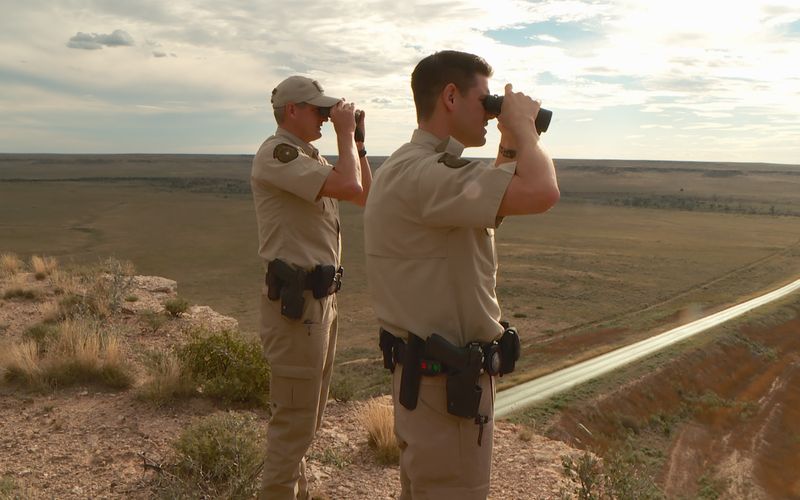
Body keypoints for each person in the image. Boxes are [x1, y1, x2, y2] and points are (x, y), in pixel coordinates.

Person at [364, 50, 559, 498]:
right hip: (445, 396)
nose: (490, 114)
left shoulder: (410, 166)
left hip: (429, 388)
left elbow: (488, 207)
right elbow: (542, 191)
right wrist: (526, 128)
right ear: (450, 97)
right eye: (485, 101)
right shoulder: (428, 175)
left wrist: (509, 138)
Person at [251, 75, 371, 500]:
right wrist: (341, 131)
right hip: (297, 306)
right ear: (292, 111)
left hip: (321, 303)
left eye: (327, 110)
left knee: (309, 420)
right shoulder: (278, 154)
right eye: (317, 109)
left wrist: (355, 142)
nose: (324, 116)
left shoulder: (311, 158)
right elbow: (351, 186)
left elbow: (363, 194)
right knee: (294, 423)